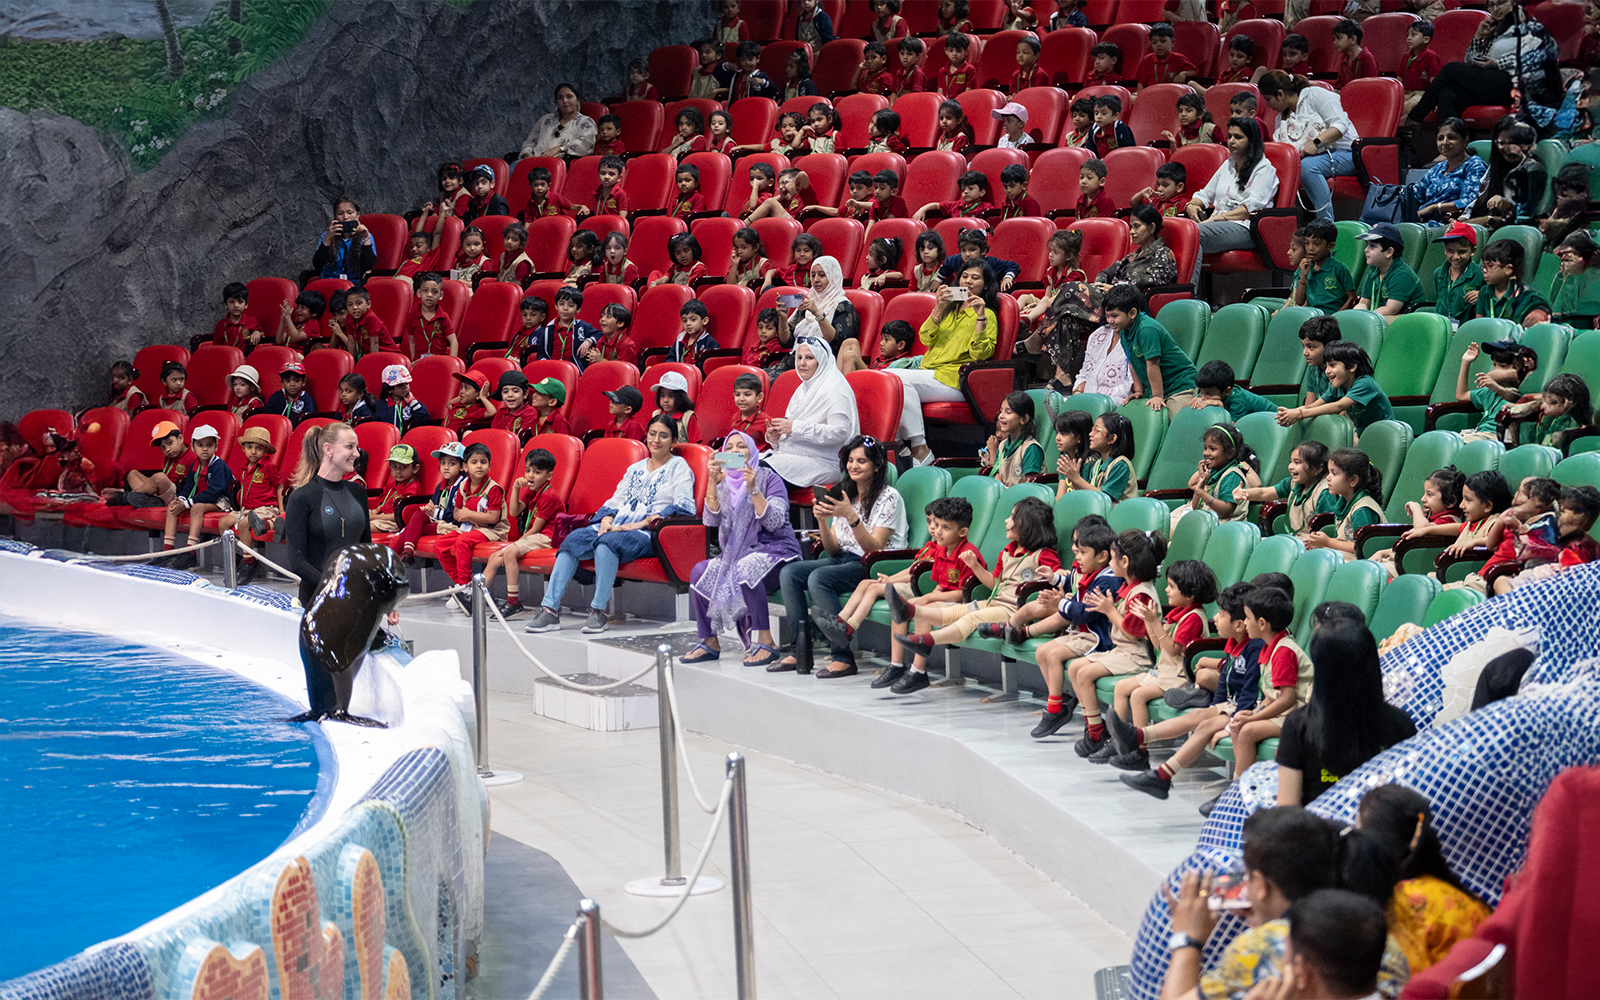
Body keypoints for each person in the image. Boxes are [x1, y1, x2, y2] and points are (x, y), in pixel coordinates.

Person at [1162, 807, 1411, 1000]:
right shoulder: (1379, 938)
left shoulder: (1258, 947)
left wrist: (1187, 939)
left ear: (1260, 885)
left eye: (1248, 877)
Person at [526, 415, 696, 635]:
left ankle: (598, 610)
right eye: (653, 434)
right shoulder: (635, 468)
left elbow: (684, 506)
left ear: (673, 440)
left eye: (664, 436)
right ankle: (549, 610)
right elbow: (616, 500)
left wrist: (638, 524)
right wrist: (606, 520)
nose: (656, 440)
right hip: (616, 526)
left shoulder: (679, 467)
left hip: (648, 532)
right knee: (573, 540)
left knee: (607, 543)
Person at [776, 436, 906, 674]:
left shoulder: (889, 498)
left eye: (861, 461)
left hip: (875, 563)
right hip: (844, 557)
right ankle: (798, 650)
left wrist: (851, 516)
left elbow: (874, 548)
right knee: (790, 572)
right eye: (850, 460)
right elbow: (833, 548)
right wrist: (822, 520)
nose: (853, 466)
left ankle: (842, 657)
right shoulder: (844, 494)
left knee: (819, 578)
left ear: (877, 466)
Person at [684, 431, 802, 667]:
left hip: (777, 552)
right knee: (699, 571)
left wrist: (753, 488)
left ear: (752, 452)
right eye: (731, 447)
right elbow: (710, 520)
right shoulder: (724, 484)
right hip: (736, 553)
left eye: (742, 447)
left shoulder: (769, 479)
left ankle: (766, 640)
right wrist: (711, 479)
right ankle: (709, 641)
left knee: (746, 567)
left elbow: (774, 522)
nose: (737, 451)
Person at [1276, 621, 1416, 807]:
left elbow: (1287, 808)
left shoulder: (1298, 725)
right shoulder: (1401, 723)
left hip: (1318, 833)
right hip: (1379, 832)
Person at [1356, 785, 1490, 975]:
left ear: (1378, 846)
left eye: (1358, 833)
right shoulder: (1452, 892)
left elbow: (1402, 983)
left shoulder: (1401, 905)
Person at [885, 260, 999, 466]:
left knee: (898, 378)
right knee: (889, 380)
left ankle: (919, 448)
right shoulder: (948, 309)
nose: (969, 281)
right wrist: (938, 307)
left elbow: (981, 354)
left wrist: (980, 316)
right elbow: (925, 338)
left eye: (976, 278)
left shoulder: (987, 314)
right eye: (965, 276)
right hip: (930, 373)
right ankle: (898, 445)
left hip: (958, 380)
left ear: (986, 284)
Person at [1404, 0, 1561, 130]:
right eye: (1492, 5)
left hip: (1514, 85)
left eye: (1500, 3)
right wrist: (1479, 36)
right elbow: (1472, 61)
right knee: (1448, 93)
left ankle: (1415, 116)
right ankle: (1450, 147)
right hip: (1490, 84)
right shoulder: (1494, 28)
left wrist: (1497, 64)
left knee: (1450, 69)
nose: (1495, 8)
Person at [285, 423, 374, 608]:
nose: (357, 453)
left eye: (356, 447)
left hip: (356, 599)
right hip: (317, 600)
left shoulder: (358, 492)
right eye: (349, 447)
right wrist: (334, 586)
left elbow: (366, 548)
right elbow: (297, 561)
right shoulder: (302, 497)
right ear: (328, 449)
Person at [1259, 71, 1358, 224]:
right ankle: (1283, 222)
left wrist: (1316, 143)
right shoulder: (1282, 117)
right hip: (1316, 158)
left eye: (1268, 99)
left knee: (1307, 167)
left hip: (1345, 153)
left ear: (1280, 94)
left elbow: (1340, 126)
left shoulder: (1315, 95)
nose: (1267, 105)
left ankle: (1325, 223)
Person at [1185, 118, 1280, 253]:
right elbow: (1205, 194)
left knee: (1191, 234)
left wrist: (1219, 218)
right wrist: (1192, 205)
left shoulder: (1264, 169)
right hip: (1217, 223)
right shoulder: (1228, 164)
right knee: (1180, 231)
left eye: (1238, 137)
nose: (1231, 141)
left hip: (1246, 227)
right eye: (1229, 136)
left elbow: (1252, 207)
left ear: (1251, 141)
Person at [158, 423, 236, 570]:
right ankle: (168, 551)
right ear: (193, 447)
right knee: (172, 507)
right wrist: (180, 500)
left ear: (216, 446)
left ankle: (190, 552)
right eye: (200, 445)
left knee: (197, 508)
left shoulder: (218, 465)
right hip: (202, 497)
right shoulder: (195, 464)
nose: (205, 448)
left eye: (209, 444)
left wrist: (187, 504)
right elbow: (188, 486)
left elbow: (214, 493)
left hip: (221, 500)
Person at [1411, 118, 1487, 227]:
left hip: (1450, 224)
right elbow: (1417, 193)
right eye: (1440, 138)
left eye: (1451, 137)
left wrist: (1434, 207)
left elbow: (1470, 201)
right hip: (1423, 220)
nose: (1445, 142)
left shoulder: (1474, 165)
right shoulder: (1438, 167)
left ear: (1465, 141)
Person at [1096, 205, 1178, 289]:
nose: (1131, 231)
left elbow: (1150, 282)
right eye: (1131, 227)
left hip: (1133, 300)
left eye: (1137, 226)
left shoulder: (1162, 253)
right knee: (1084, 289)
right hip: (1113, 296)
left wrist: (1115, 288)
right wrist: (1099, 285)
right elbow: (1105, 273)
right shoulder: (1132, 256)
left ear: (1151, 228)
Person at [519, 82, 597, 159]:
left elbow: (586, 146)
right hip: (532, 161)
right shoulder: (546, 120)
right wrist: (526, 154)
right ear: (556, 102)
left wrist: (560, 148)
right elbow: (529, 143)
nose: (565, 101)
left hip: (557, 165)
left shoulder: (586, 123)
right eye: (560, 97)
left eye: (569, 96)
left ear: (577, 100)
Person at [312, 197, 376, 283]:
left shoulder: (365, 236)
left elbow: (368, 266)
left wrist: (366, 239)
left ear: (357, 215)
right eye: (340, 213)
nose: (345, 217)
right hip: (330, 281)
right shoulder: (326, 236)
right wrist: (327, 239)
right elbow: (317, 264)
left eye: (350, 213)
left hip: (354, 284)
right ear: (335, 216)